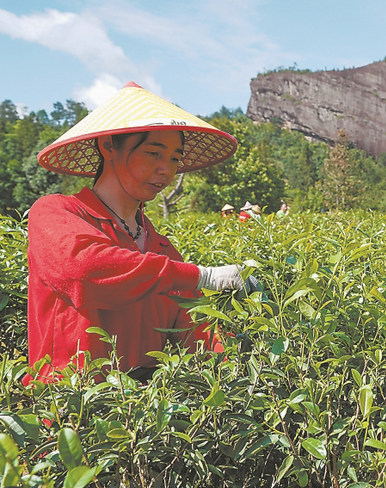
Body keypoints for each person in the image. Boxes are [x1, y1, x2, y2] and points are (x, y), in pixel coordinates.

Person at [27, 81, 253, 384]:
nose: (166, 170)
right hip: (69, 410)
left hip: (140, 420)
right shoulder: (57, 212)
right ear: (108, 146)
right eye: (153, 153)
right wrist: (203, 275)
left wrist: (250, 346)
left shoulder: (161, 247)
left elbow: (196, 333)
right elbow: (84, 268)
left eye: (175, 158)